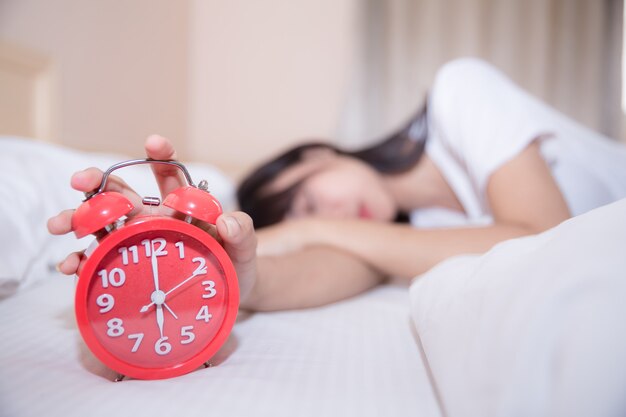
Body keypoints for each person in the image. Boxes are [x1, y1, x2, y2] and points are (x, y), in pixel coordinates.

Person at [48, 58, 626, 312]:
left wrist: (313, 227)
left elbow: (547, 236)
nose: (325, 214)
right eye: (305, 216)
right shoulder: (411, 238)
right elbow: (294, 275)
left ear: (317, 153)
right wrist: (214, 264)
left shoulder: (459, 93)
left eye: (304, 197)